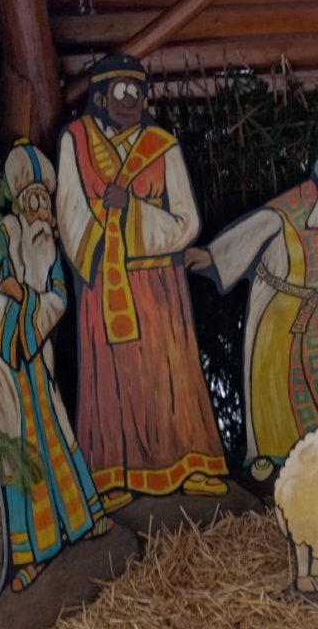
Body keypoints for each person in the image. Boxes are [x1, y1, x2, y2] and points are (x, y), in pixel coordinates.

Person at [55, 55, 228, 504]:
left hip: (159, 284)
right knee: (111, 379)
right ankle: (112, 476)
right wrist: (101, 255)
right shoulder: (76, 141)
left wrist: (132, 212)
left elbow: (187, 222)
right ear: (99, 97)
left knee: (170, 372)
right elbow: (71, 209)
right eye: (120, 90)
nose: (130, 99)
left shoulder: (161, 146)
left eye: (137, 91)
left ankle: (191, 465)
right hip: (105, 280)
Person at [186, 130, 318, 475]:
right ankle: (271, 455)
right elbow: (256, 228)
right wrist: (213, 256)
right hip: (281, 316)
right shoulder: (290, 210)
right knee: (275, 386)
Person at [0, 142, 109, 592]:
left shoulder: (48, 248)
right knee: (21, 453)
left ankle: (83, 521)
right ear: (18, 204)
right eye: (33, 200)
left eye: (45, 201)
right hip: (9, 365)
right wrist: (18, 321)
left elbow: (59, 299)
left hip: (36, 363)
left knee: (56, 439)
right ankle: (31, 553)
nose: (42, 210)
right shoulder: (5, 237)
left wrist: (25, 299)